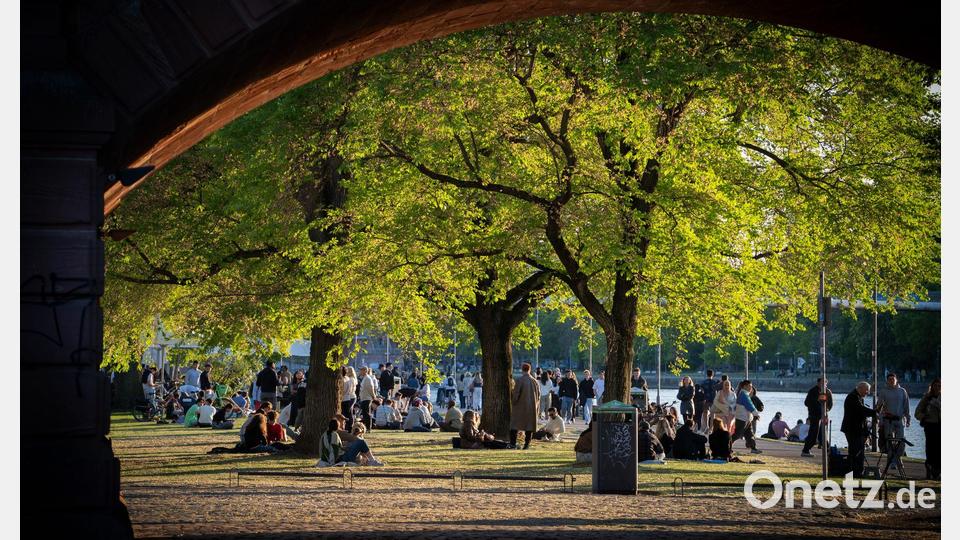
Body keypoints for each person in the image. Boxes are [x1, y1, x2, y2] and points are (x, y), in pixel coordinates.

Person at [841, 382, 879, 478]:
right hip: (852, 429)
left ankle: (856, 471)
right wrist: (874, 412)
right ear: (861, 388)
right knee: (856, 451)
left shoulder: (858, 397)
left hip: (855, 429)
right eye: (867, 390)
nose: (868, 392)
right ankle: (855, 472)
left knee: (857, 451)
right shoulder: (853, 397)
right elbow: (861, 410)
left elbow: (861, 411)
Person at [877, 372, 911, 473]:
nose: (891, 381)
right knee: (890, 441)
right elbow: (879, 406)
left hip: (899, 420)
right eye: (889, 379)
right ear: (887, 381)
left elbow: (906, 405)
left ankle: (898, 459)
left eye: (893, 379)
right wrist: (880, 419)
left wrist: (908, 417)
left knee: (901, 441)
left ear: (896, 380)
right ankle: (891, 462)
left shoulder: (902, 391)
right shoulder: (884, 391)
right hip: (888, 420)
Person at [317, 419, 384, 466]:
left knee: (357, 443)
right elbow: (335, 450)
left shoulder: (324, 435)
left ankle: (370, 460)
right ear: (338, 426)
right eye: (343, 422)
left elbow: (334, 447)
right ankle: (372, 460)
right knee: (361, 442)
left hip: (328, 459)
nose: (344, 423)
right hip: (339, 459)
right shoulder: (335, 434)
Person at [510, 363, 541, 449]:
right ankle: (526, 445)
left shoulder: (520, 380)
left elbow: (516, 394)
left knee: (514, 425)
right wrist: (536, 406)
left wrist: (513, 402)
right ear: (529, 370)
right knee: (529, 427)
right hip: (532, 408)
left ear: (522, 369)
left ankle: (512, 443)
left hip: (520, 407)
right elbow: (539, 395)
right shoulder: (535, 381)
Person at [915, 378, 941, 480]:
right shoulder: (927, 398)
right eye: (935, 385)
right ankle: (930, 467)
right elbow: (917, 413)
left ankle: (937, 471)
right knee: (931, 448)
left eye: (939, 386)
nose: (937, 388)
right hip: (930, 426)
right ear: (932, 387)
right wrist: (925, 416)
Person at [801, 377, 833, 457]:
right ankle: (806, 450)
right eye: (822, 383)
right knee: (813, 434)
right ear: (818, 383)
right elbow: (806, 403)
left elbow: (830, 404)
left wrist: (826, 411)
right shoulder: (813, 391)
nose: (823, 385)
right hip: (814, 416)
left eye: (825, 383)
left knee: (823, 434)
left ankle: (828, 451)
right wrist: (817, 406)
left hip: (824, 416)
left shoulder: (828, 392)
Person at [732, 380, 762, 454]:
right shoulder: (743, 394)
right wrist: (756, 414)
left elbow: (750, 405)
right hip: (741, 419)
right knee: (736, 435)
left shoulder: (744, 394)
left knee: (749, 434)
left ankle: (753, 448)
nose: (751, 388)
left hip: (746, 419)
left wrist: (755, 414)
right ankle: (726, 446)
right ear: (745, 386)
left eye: (751, 386)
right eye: (750, 386)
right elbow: (750, 406)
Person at [340, 366, 358, 431]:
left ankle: (347, 427)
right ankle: (349, 427)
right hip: (348, 397)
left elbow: (343, 390)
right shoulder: (348, 378)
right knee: (348, 413)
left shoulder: (344, 379)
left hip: (344, 398)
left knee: (345, 414)